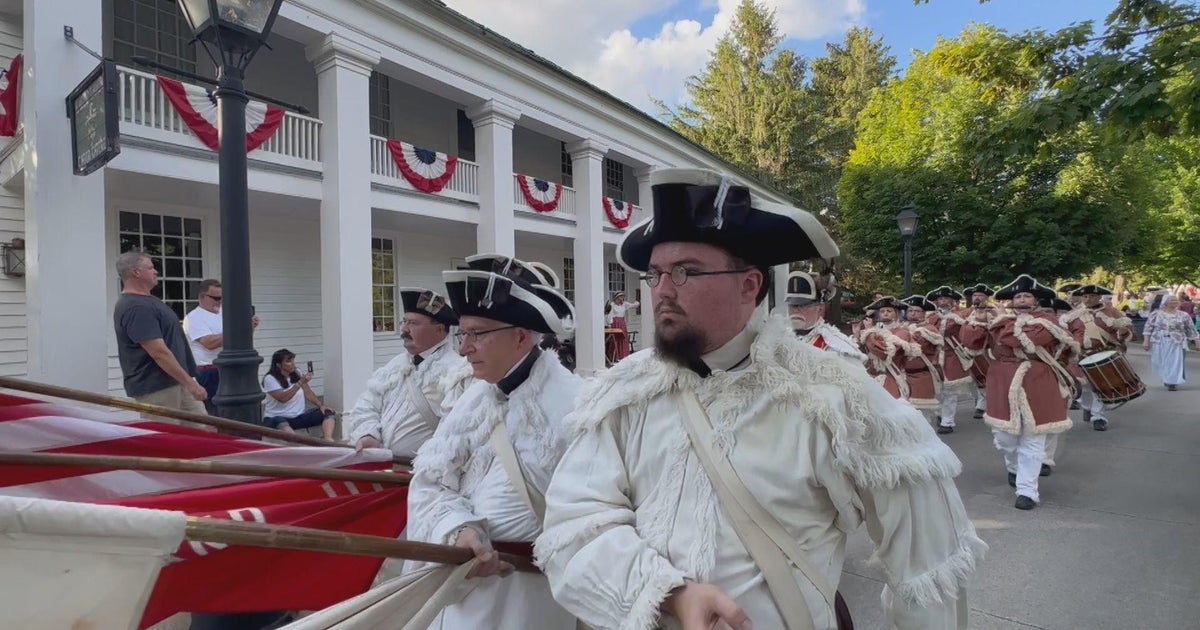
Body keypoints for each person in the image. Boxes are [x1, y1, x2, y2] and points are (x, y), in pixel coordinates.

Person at [537, 168, 982, 630]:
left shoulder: (831, 394)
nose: (663, 291)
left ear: (749, 285)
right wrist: (668, 594)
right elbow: (574, 524)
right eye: (656, 274)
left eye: (685, 271)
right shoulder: (624, 394)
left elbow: (930, 563)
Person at [407, 254, 580, 630]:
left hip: (525, 597)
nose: (464, 347)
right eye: (463, 334)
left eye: (477, 334)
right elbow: (430, 479)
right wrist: (458, 528)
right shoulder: (475, 396)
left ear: (520, 336)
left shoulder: (575, 408)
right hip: (459, 590)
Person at [978, 275, 1077, 510]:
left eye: (1026, 296)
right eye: (1017, 296)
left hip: (1037, 380)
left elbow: (1020, 341)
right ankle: (1014, 468)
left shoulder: (1047, 320)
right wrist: (978, 323)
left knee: (1033, 438)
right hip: (1002, 380)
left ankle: (1027, 491)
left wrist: (999, 324)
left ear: (1036, 300)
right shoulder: (1000, 321)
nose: (1021, 299)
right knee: (1005, 438)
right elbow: (971, 342)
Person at [344, 287, 472, 460]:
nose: (404, 330)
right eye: (404, 322)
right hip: (382, 468)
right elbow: (367, 405)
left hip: (423, 475)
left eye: (413, 323)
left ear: (439, 329)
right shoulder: (394, 365)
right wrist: (368, 435)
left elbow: (456, 434)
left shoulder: (457, 372)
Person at [111, 250, 207, 416]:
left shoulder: (149, 301)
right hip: (158, 388)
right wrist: (190, 384)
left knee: (204, 430)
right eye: (151, 267)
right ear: (136, 272)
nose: (156, 271)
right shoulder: (135, 307)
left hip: (176, 381)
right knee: (168, 437)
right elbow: (158, 352)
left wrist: (187, 381)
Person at [1062, 284, 1135, 431]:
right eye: (1085, 296)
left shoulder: (1113, 313)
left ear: (1099, 297)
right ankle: (1087, 407)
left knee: (1099, 387)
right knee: (1085, 388)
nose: (1089, 299)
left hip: (1103, 354)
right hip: (1080, 355)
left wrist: (1122, 330)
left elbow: (1128, 334)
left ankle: (1098, 417)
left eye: (1093, 296)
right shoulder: (1072, 315)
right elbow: (1065, 335)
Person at [183, 279, 260, 413]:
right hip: (208, 370)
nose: (219, 301)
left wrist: (249, 328)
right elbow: (209, 343)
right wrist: (238, 330)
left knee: (235, 410)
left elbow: (241, 339)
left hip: (229, 367)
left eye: (222, 298)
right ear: (202, 297)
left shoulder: (225, 313)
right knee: (215, 412)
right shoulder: (194, 317)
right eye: (216, 298)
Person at [784, 269, 864, 365]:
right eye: (792, 305)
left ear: (820, 308)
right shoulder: (778, 339)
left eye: (803, 304)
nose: (796, 310)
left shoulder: (840, 349)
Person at [926, 286, 975, 434]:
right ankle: (941, 414)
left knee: (950, 390)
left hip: (951, 355)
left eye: (946, 299)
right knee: (936, 390)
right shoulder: (931, 316)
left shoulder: (960, 316)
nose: (943, 302)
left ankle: (948, 421)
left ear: (953, 301)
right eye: (940, 299)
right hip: (934, 356)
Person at [856, 296, 921, 400]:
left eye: (889, 311)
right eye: (882, 311)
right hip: (872, 378)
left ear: (896, 314)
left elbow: (884, 352)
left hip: (892, 378)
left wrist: (868, 332)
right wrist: (857, 336)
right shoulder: (875, 331)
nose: (885, 313)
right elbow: (863, 354)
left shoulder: (903, 332)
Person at [262, 349, 335, 440]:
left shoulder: (297, 373)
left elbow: (308, 393)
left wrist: (321, 405)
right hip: (277, 418)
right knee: (280, 421)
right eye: (288, 361)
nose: (293, 363)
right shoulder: (269, 378)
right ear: (278, 365)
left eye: (293, 360)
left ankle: (328, 440)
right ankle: (299, 443)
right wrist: (300, 383)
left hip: (298, 416)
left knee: (328, 412)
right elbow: (283, 398)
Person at [901, 295, 945, 423]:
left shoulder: (928, 329)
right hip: (903, 376)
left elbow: (913, 345)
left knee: (922, 415)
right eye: (910, 310)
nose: (912, 313)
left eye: (916, 310)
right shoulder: (902, 328)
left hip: (922, 375)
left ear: (924, 313)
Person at [1143, 294, 1200, 390]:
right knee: (1161, 362)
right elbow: (1148, 327)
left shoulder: (1183, 315)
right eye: (1171, 300)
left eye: (1176, 300)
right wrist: (1146, 341)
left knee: (1175, 362)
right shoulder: (1156, 314)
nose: (1174, 302)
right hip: (1159, 340)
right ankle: (1167, 378)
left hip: (1176, 341)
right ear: (1165, 302)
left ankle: (1172, 382)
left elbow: (1191, 330)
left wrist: (1197, 342)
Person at [961, 284, 998, 420]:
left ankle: (984, 405)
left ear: (986, 298)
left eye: (980, 295)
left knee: (987, 377)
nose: (977, 298)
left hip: (987, 350)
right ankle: (982, 402)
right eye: (975, 295)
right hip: (968, 350)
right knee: (975, 378)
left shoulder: (993, 312)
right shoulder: (965, 313)